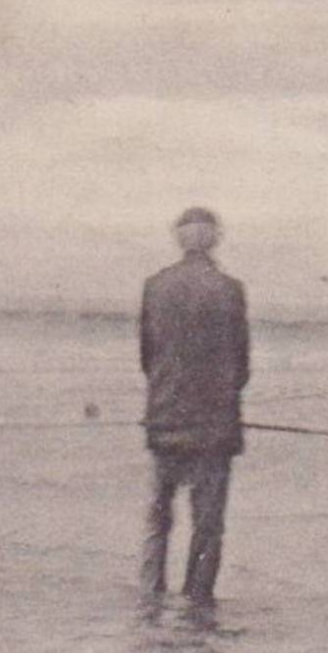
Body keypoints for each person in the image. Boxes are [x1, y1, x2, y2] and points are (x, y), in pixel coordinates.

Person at [139, 206, 251, 604]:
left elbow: (147, 359)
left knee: (158, 519)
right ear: (216, 237)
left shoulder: (155, 286)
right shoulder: (231, 290)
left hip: (165, 420)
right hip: (214, 428)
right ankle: (196, 605)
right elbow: (242, 368)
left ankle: (149, 597)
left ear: (178, 237)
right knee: (207, 525)